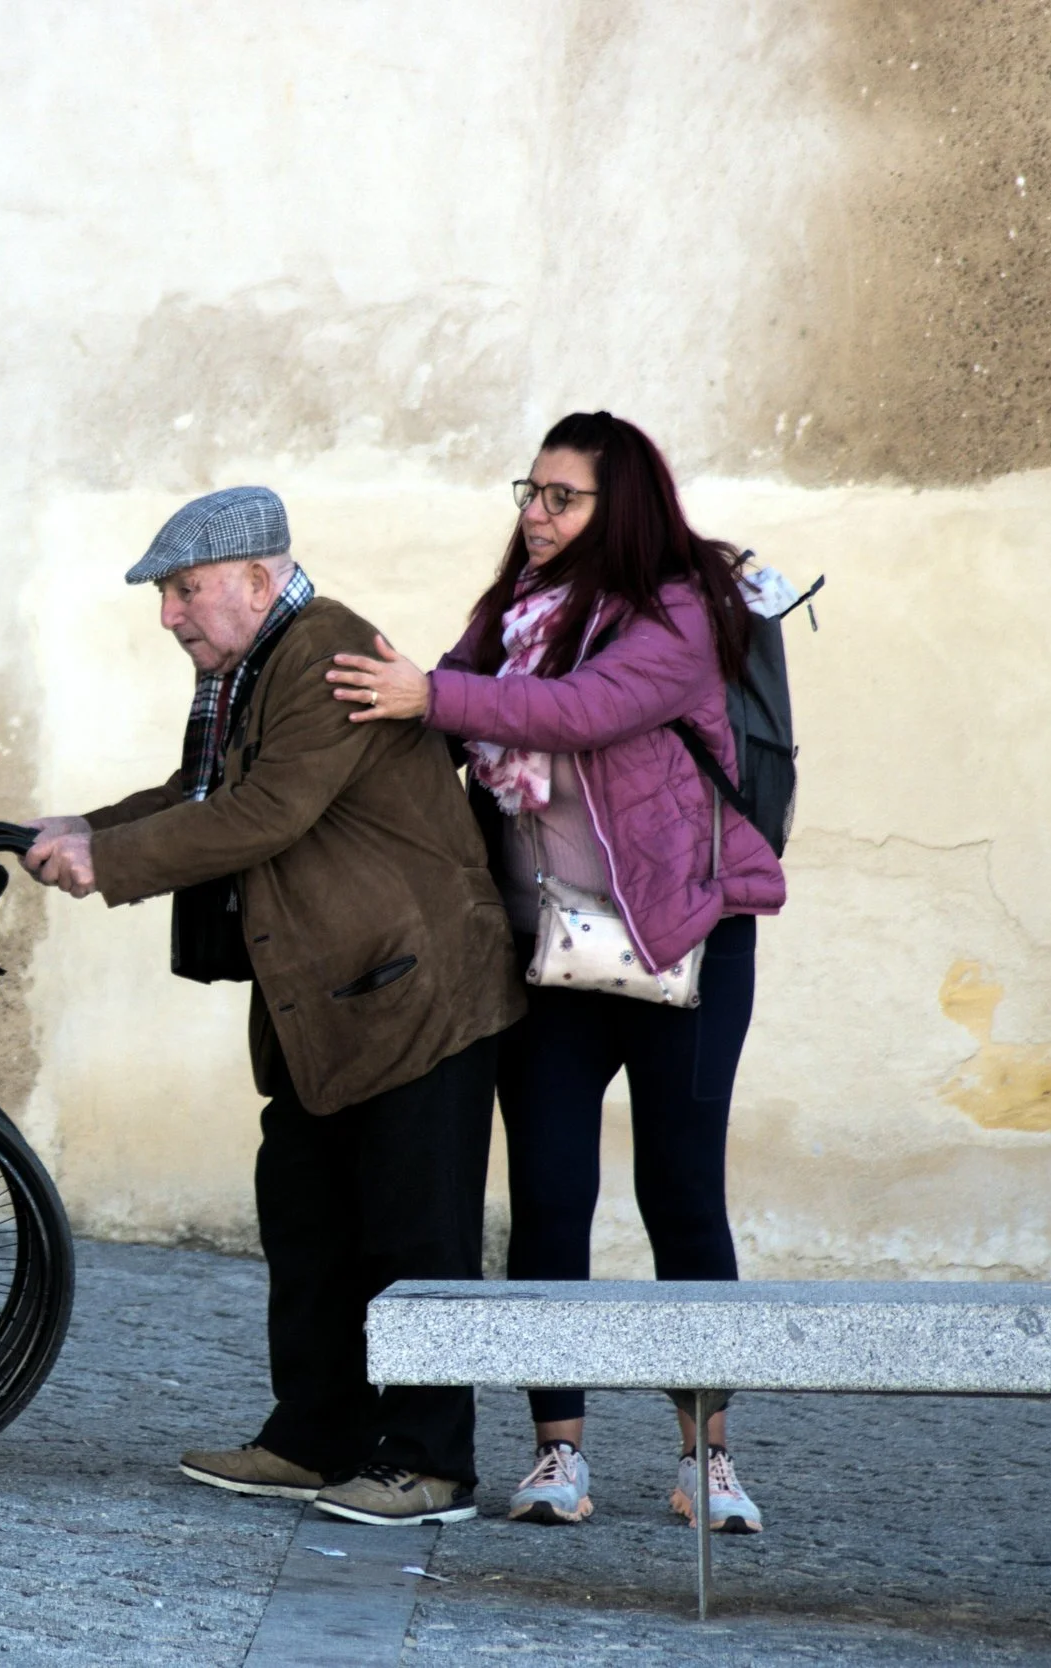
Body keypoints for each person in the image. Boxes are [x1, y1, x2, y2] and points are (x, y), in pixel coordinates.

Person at [23, 485, 522, 1527]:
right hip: (327, 1003)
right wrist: (83, 822)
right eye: (165, 594)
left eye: (184, 590)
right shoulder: (252, 669)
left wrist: (105, 860)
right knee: (308, 1225)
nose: (169, 614)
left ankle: (430, 1466)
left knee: (413, 1238)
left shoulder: (326, 654)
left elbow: (264, 812)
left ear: (257, 579)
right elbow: (199, 792)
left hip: (415, 992)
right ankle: (314, 1439)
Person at [325, 411, 785, 1535]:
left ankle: (705, 1458)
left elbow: (583, 714)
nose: (534, 515)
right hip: (551, 950)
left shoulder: (681, 610)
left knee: (681, 1197)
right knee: (548, 1198)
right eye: (527, 491)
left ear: (615, 506)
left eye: (560, 498)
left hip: (684, 938)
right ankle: (556, 1454)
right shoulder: (514, 615)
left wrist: (433, 695)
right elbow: (449, 709)